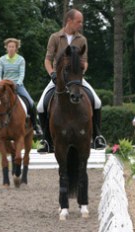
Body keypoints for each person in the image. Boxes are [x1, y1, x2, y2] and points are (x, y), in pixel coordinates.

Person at [37, 9, 106, 153]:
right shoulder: (55, 37)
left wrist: (80, 72)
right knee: (40, 106)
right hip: (58, 79)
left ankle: (97, 136)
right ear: (69, 21)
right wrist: (52, 74)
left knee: (97, 102)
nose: (81, 24)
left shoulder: (82, 40)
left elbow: (85, 61)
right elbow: (47, 60)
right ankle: (46, 140)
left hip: (75, 79)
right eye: (78, 21)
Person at [0, 38, 43, 136]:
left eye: (13, 47)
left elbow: (21, 74)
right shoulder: (2, 59)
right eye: (9, 46)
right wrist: (0, 83)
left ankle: (36, 126)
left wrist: (17, 83)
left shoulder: (21, 59)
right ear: (6, 48)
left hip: (17, 85)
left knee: (31, 103)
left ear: (16, 48)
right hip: (3, 86)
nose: (11, 48)